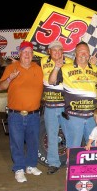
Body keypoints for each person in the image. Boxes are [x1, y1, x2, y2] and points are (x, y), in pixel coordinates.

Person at [0, 41, 43, 183]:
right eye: (24, 52)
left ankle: (30, 166)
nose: (27, 55)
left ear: (33, 55)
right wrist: (10, 78)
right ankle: (19, 168)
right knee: (16, 142)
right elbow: (0, 87)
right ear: (19, 54)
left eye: (30, 52)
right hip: (15, 114)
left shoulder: (38, 68)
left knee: (33, 142)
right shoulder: (11, 68)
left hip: (34, 114)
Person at [48, 41, 97, 151]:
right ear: (75, 53)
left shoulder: (95, 69)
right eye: (80, 51)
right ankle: (70, 168)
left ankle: (90, 168)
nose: (83, 54)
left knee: (93, 147)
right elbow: (52, 81)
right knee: (73, 147)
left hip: (92, 116)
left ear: (89, 54)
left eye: (85, 52)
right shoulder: (66, 68)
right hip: (74, 116)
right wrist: (56, 68)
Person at [40, 40, 73, 175]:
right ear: (49, 51)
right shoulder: (42, 61)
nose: (57, 53)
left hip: (66, 105)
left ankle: (72, 162)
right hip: (50, 105)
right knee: (52, 135)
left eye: (60, 50)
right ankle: (53, 163)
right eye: (54, 50)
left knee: (70, 135)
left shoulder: (70, 61)